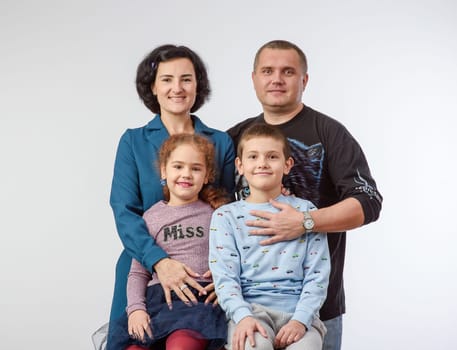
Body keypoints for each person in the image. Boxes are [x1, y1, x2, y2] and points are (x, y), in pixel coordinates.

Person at [227, 40, 383, 350]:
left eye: (288, 71)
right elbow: (210, 206)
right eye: (267, 71)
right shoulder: (233, 138)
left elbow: (369, 201)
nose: (277, 79)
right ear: (254, 78)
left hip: (317, 311)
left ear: (304, 80)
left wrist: (305, 222)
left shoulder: (330, 133)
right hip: (249, 311)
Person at [106, 44, 235, 348]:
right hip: (141, 272)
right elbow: (124, 211)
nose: (177, 88)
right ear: (152, 87)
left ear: (198, 85)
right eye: (166, 79)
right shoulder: (133, 141)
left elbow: (228, 212)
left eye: (186, 79)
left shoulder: (221, 142)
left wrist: (225, 273)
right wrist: (159, 262)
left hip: (202, 283)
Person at [209, 123, 329, 350]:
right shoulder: (225, 217)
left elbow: (318, 275)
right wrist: (242, 316)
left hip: (299, 315)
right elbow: (225, 277)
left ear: (287, 165)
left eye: (272, 156)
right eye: (253, 156)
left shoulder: (307, 212)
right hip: (249, 312)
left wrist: (301, 320)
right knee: (255, 346)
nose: (262, 163)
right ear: (240, 166)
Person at [108, 133, 229, 350]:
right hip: (157, 303)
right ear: (164, 171)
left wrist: (226, 285)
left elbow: (235, 258)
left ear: (207, 175)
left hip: (198, 304)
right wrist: (136, 309)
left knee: (180, 346)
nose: (186, 174)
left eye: (196, 168)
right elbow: (138, 272)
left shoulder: (217, 215)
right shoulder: (152, 217)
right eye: (178, 167)